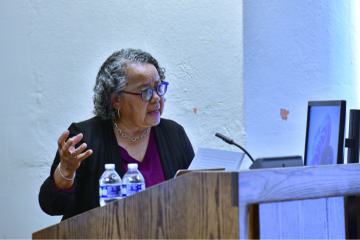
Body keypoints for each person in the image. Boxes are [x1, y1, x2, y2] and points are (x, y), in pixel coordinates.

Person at [39, 49, 195, 220]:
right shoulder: (85, 138)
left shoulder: (174, 135)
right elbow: (53, 206)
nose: (157, 97)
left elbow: (195, 196)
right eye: (146, 91)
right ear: (116, 100)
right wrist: (66, 171)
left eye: (158, 87)